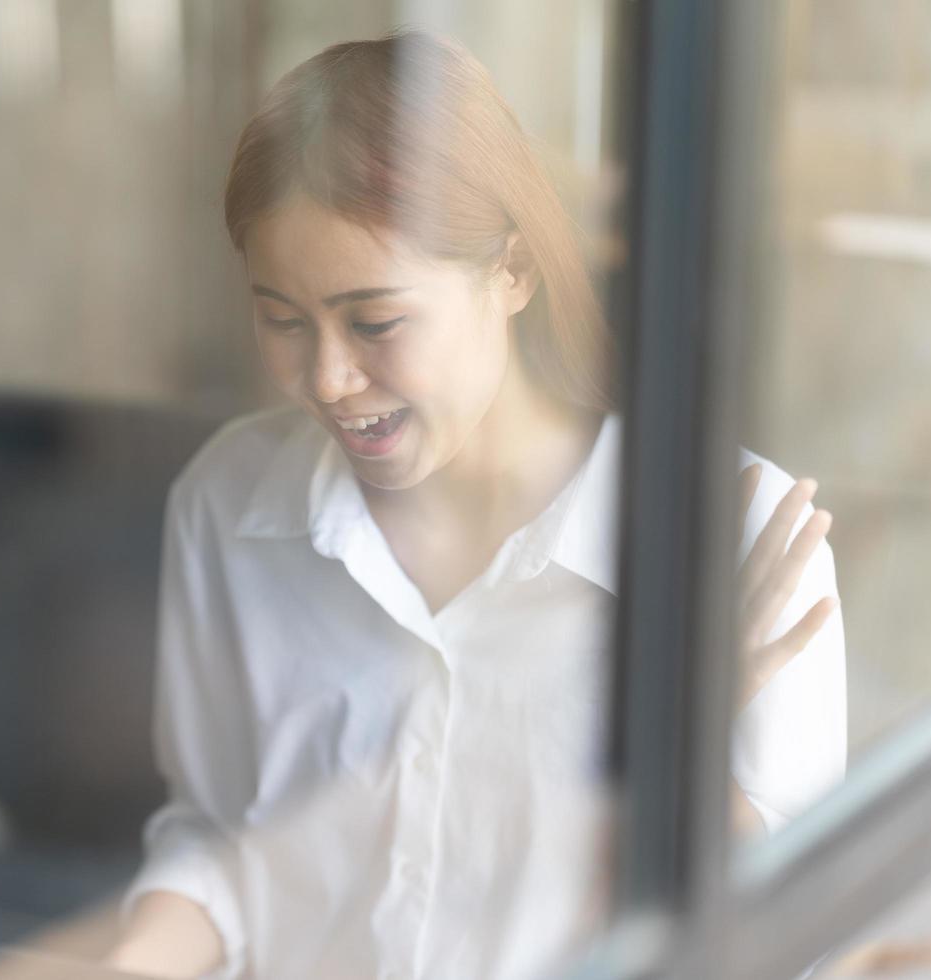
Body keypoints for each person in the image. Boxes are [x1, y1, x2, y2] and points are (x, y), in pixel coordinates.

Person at [104, 30, 845, 980]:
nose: (327, 377)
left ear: (513, 273)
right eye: (283, 320)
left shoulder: (727, 541)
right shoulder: (229, 505)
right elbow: (219, 832)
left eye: (377, 321)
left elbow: (802, 951)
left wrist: (687, 751)